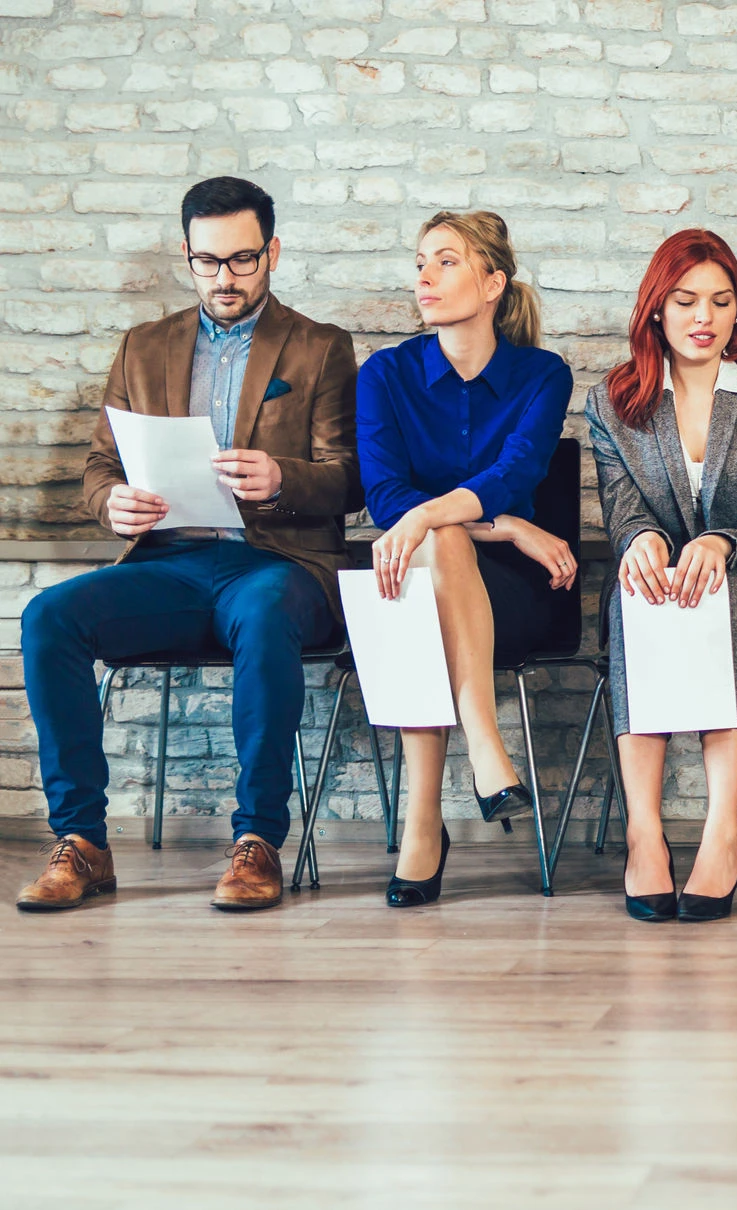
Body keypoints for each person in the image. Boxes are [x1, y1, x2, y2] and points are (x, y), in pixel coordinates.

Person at [15, 177, 361, 913]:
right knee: (48, 617)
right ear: (186, 254)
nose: (225, 278)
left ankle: (258, 840)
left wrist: (280, 477)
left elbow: (352, 480)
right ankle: (83, 843)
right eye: (208, 262)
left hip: (279, 564)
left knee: (266, 614)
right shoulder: (144, 347)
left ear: (272, 252)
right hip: (168, 563)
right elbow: (99, 468)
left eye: (242, 260)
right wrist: (113, 502)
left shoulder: (321, 347)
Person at [587, 230, 737, 923]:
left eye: (721, 302)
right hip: (662, 592)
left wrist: (721, 543)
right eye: (686, 300)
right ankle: (644, 833)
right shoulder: (612, 402)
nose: (704, 317)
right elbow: (623, 511)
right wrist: (637, 544)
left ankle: (724, 829)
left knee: (727, 592)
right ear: (656, 310)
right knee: (636, 597)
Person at [356, 210, 575, 907]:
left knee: (438, 540)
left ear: (492, 283)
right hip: (414, 573)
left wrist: (435, 515)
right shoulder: (384, 376)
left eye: (446, 260)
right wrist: (504, 524)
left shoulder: (543, 376)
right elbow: (387, 496)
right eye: (420, 259)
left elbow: (512, 474)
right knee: (437, 545)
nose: (424, 274)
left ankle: (424, 823)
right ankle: (483, 744)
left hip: (514, 595)